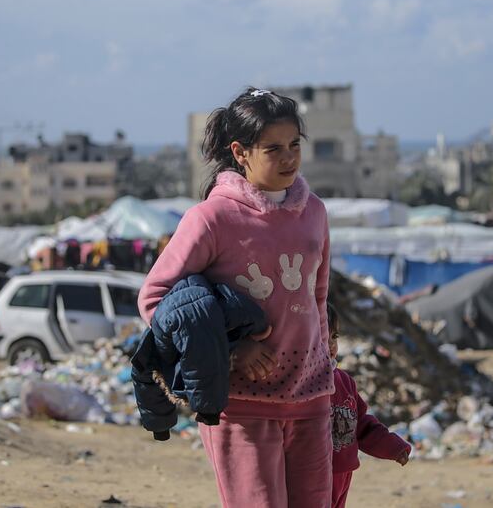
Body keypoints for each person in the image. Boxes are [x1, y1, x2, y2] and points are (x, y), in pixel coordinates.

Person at [138, 87, 333, 507]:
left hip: (312, 395)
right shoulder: (212, 218)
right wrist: (229, 349)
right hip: (241, 401)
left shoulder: (314, 212)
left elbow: (318, 294)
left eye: (295, 145)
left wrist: (325, 353)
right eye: (273, 149)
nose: (288, 158)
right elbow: (156, 299)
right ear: (240, 153)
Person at [327, 303, 411, 508]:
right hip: (313, 474)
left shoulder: (344, 382)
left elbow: (362, 424)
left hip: (343, 471)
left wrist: (392, 447)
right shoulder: (303, 386)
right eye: (321, 336)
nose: (330, 345)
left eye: (334, 337)